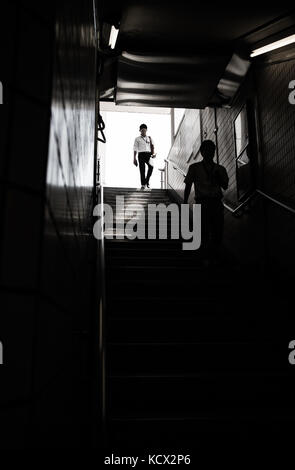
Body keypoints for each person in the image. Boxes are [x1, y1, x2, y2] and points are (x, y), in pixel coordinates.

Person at [183, 140, 229, 264]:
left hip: (215, 202)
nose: (210, 152)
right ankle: (204, 258)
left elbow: (225, 186)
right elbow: (188, 185)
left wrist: (219, 177)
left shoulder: (220, 169)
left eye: (212, 150)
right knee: (202, 232)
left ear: (214, 152)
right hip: (201, 202)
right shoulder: (194, 167)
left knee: (217, 232)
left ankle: (212, 258)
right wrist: (184, 201)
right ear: (202, 152)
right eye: (207, 150)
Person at [133, 123, 155, 190]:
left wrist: (153, 154)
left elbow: (152, 146)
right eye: (142, 130)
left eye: (145, 130)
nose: (143, 131)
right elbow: (135, 148)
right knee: (142, 169)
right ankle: (143, 184)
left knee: (151, 167)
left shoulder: (149, 138)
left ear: (146, 130)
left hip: (148, 155)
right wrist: (134, 158)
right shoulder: (137, 139)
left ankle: (146, 181)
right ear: (140, 130)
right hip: (141, 155)